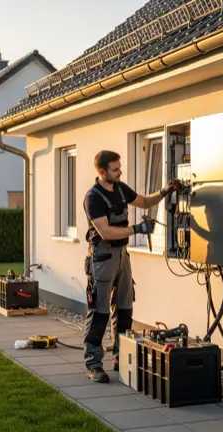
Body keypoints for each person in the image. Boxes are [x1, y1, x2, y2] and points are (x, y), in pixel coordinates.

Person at [82, 150, 178, 383]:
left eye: (119, 167)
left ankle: (121, 357)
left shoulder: (120, 189)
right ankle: (93, 364)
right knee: (99, 312)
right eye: (115, 169)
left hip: (123, 255)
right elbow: (105, 232)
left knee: (124, 308)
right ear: (102, 172)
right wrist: (137, 229)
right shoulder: (93, 198)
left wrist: (164, 191)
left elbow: (143, 202)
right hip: (102, 257)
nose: (120, 172)